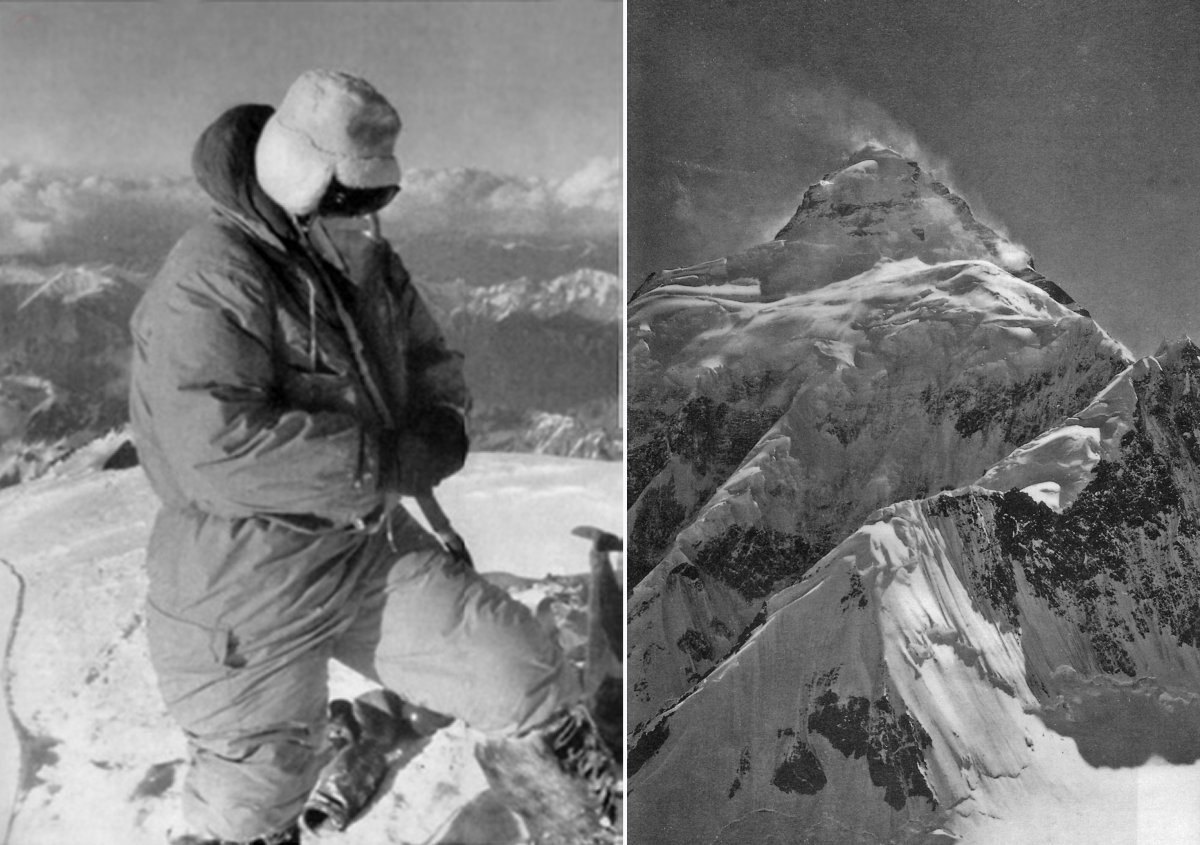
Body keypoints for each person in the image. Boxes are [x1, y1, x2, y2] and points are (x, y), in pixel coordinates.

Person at [129, 69, 617, 845]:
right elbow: (214, 451)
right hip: (242, 582)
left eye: (371, 202)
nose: (361, 219)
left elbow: (426, 353)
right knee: (252, 801)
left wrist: (442, 416)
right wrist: (382, 461)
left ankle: (579, 818)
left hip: (362, 547)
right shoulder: (210, 279)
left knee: (511, 664)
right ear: (298, 180)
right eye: (348, 202)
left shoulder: (359, 258)